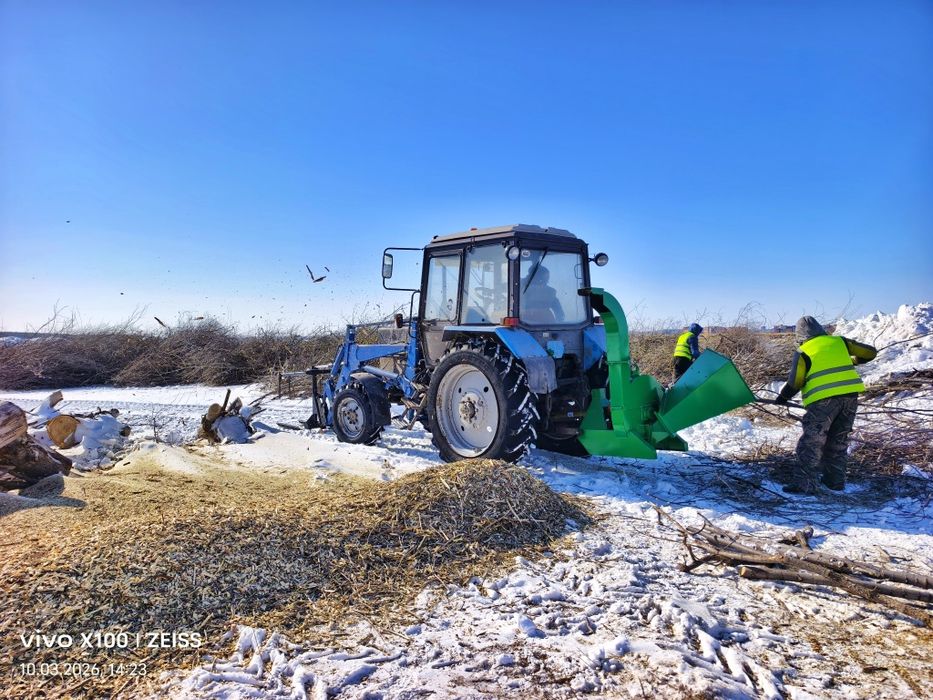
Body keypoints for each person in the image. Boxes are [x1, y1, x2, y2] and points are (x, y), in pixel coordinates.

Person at [776, 316, 877, 494]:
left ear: (799, 335)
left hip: (823, 402)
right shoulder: (839, 342)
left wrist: (782, 398)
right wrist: (852, 360)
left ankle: (806, 484)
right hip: (850, 397)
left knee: (811, 443)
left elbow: (795, 382)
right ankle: (835, 482)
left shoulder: (803, 351)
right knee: (838, 440)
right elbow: (870, 352)